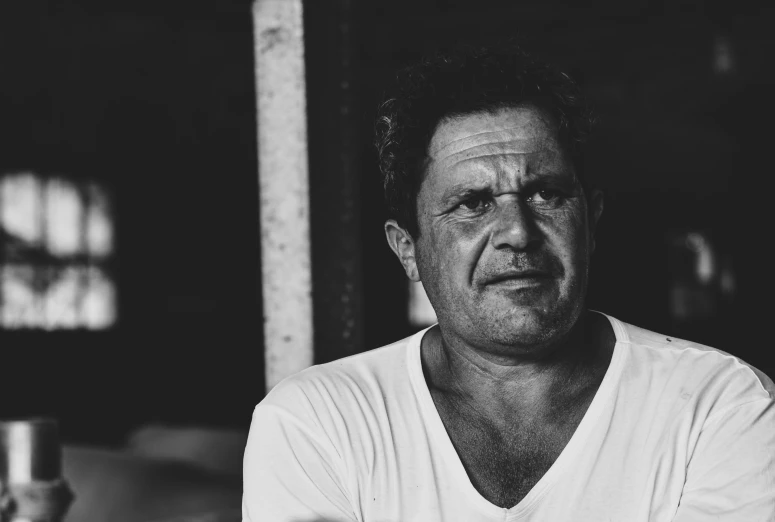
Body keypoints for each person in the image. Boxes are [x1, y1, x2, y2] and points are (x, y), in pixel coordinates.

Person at [242, 45, 775, 521]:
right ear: (408, 249)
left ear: (590, 223)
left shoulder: (718, 403)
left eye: (545, 194)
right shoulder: (320, 421)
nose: (518, 233)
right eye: (472, 204)